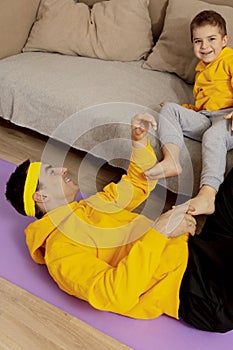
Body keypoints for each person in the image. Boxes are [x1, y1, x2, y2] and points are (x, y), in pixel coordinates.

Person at [5, 113, 233, 332]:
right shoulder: (61, 253)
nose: (63, 168)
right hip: (193, 289)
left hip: (196, 249)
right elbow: (115, 294)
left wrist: (139, 142)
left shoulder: (89, 207)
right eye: (50, 172)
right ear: (41, 197)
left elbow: (136, 185)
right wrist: (159, 231)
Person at [144, 10, 233, 216]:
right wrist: (185, 110)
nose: (205, 46)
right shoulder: (201, 69)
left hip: (228, 118)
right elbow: (204, 105)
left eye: (211, 39)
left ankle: (207, 194)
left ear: (224, 40)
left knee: (213, 135)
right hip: (209, 117)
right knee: (169, 110)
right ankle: (171, 159)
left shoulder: (229, 59)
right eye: (198, 41)